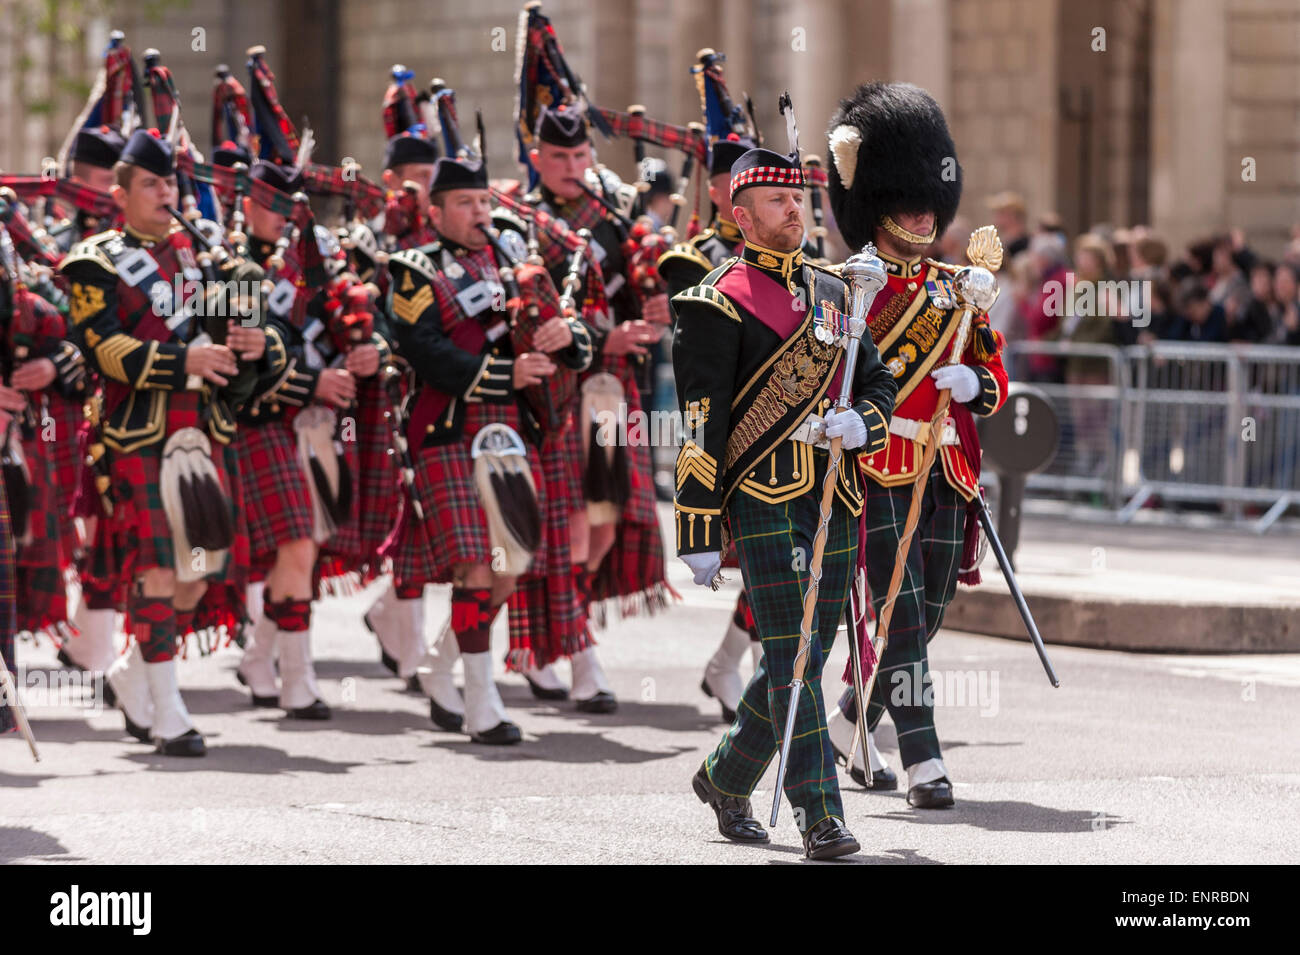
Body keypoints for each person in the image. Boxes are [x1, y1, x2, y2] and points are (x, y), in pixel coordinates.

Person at [675, 143, 896, 859]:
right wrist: (699, 525)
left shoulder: (837, 290)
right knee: (796, 656)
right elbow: (702, 421)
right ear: (740, 216)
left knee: (802, 652)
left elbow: (878, 379)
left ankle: (725, 774)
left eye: (798, 196)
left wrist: (865, 420)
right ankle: (819, 814)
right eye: (776, 200)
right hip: (763, 490)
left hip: (834, 485)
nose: (794, 207)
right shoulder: (714, 300)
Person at [825, 82, 1009, 809]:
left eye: (930, 197)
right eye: (905, 199)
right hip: (874, 463)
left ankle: (850, 721)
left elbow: (994, 375)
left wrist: (973, 383)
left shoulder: (955, 290)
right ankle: (924, 757)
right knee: (898, 607)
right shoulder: (849, 288)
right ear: (874, 202)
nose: (923, 211)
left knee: (925, 610)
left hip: (943, 469)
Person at [61, 128, 266, 755]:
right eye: (151, 184)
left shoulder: (199, 256)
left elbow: (244, 345)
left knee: (198, 571)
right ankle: (168, 711)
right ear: (119, 193)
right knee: (153, 567)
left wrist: (256, 339)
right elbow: (105, 349)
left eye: (170, 182)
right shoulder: (94, 261)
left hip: (203, 432)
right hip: (138, 435)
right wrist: (186, 363)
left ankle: (131, 673)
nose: (165, 192)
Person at [385, 151, 592, 743]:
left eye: (483, 201)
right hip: (448, 429)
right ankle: (482, 704)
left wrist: (566, 335)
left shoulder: (514, 262)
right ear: (436, 211)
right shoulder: (414, 269)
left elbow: (566, 324)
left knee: (512, 563)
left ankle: (440, 665)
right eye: (464, 204)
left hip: (510, 431)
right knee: (476, 563)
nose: (479, 213)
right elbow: (424, 349)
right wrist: (505, 375)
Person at [514, 103, 672, 710]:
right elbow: (528, 315)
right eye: (559, 157)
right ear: (537, 160)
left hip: (613, 388)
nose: (572, 167)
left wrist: (655, 311)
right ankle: (580, 655)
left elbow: (640, 289)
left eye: (581, 156)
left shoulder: (614, 216)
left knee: (604, 527)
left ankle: (464, 652)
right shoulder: (522, 225)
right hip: (554, 391)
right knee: (571, 526)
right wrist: (603, 336)